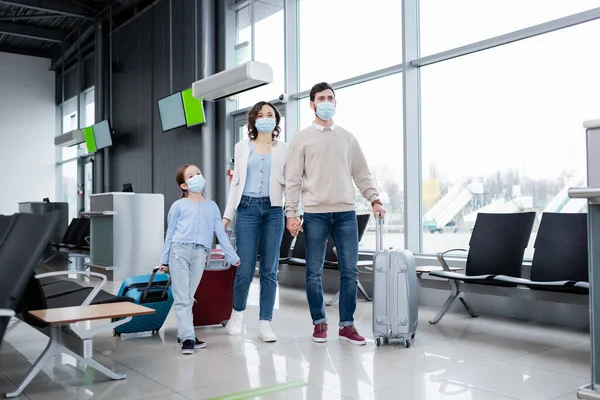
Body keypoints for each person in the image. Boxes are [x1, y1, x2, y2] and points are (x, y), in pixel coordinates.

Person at [285, 82, 386, 345]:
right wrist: (291, 213)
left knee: (350, 271)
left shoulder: (348, 138)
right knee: (313, 272)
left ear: (335, 103)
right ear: (312, 104)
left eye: (331, 98)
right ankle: (319, 323)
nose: (327, 102)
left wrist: (373, 199)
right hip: (316, 214)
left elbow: (361, 173)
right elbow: (293, 180)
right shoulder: (301, 139)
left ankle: (347, 325)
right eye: (321, 98)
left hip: (345, 214)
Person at [223, 101, 288, 342]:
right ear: (253, 120)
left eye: (270, 114)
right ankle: (237, 314)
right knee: (246, 267)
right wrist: (227, 216)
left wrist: (292, 211)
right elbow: (235, 183)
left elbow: (291, 184)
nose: (265, 118)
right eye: (260, 115)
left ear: (276, 120)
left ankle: (265, 323)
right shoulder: (242, 147)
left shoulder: (284, 149)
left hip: (274, 210)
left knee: (270, 269)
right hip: (247, 209)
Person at [159, 164, 240, 355]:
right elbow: (170, 234)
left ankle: (184, 334)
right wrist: (164, 260)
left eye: (198, 173)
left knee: (188, 296)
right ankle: (187, 338)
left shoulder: (211, 206)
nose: (197, 176)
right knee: (182, 298)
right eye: (191, 175)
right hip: (179, 252)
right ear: (184, 186)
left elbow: (220, 233)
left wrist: (232, 256)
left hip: (200, 255)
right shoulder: (178, 206)